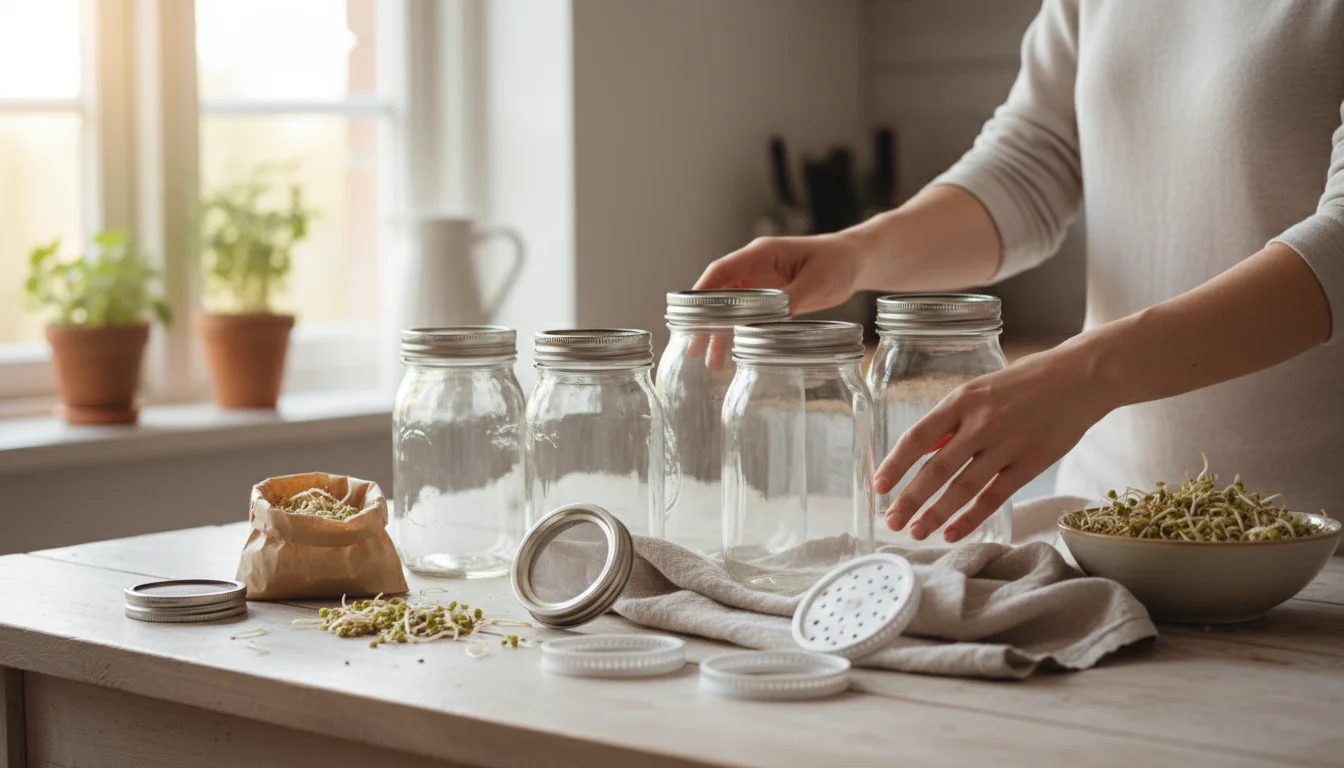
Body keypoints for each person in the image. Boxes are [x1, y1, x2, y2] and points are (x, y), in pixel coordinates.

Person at [695, 0, 1343, 544]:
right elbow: (1031, 165)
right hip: (1106, 527)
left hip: (1314, 544)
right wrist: (857, 254)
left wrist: (1088, 374)